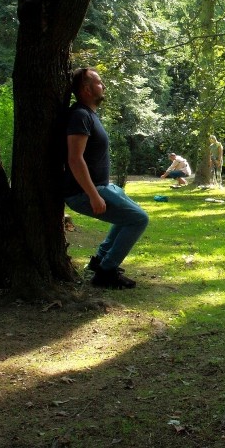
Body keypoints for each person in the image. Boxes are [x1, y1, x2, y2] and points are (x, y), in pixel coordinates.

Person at [64, 67, 149, 289]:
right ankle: (105, 272)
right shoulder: (80, 115)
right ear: (86, 89)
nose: (103, 86)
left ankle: (100, 260)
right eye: (99, 82)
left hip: (102, 186)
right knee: (138, 219)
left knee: (132, 217)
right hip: (84, 192)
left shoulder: (89, 115)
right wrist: (93, 195)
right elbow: (75, 159)